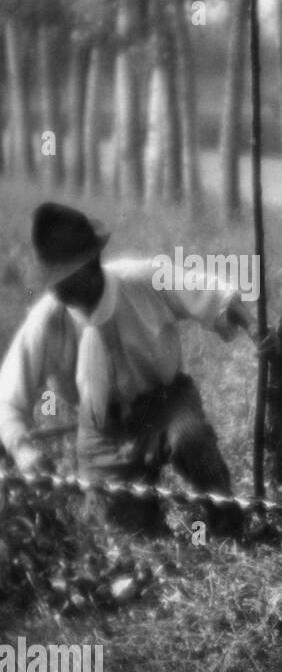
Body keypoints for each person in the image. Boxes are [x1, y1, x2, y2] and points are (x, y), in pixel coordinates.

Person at [0, 202, 253, 537]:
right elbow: (8, 396)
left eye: (65, 278)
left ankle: (226, 521)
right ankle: (147, 515)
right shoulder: (48, 319)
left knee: (190, 439)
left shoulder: (140, 279)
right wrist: (23, 449)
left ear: (91, 264)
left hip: (166, 403)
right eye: (52, 280)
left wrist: (253, 326)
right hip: (104, 427)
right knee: (126, 529)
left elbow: (213, 294)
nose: (57, 289)